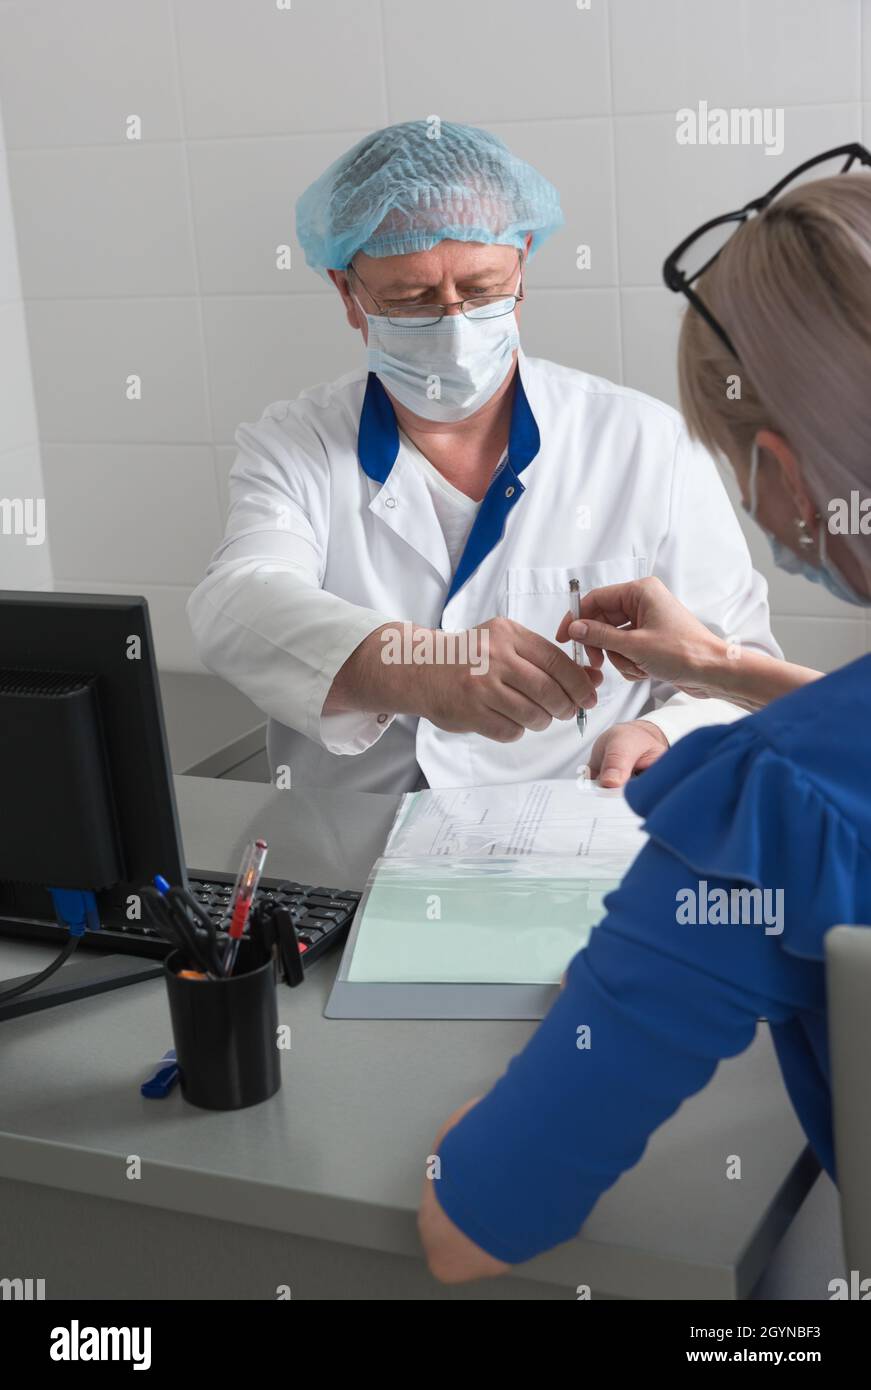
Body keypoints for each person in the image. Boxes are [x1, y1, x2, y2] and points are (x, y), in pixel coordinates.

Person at [418, 152, 871, 1282]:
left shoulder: (768, 800)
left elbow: (474, 1225)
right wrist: (722, 666)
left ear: (780, 474)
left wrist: (499, 1101)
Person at [188, 119, 777, 794]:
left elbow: (736, 669)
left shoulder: (645, 443)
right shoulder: (293, 444)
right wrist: (418, 665)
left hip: (569, 835)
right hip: (350, 851)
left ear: (522, 260)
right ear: (348, 294)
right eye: (409, 301)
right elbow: (235, 607)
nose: (454, 326)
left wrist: (660, 732)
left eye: (481, 290)